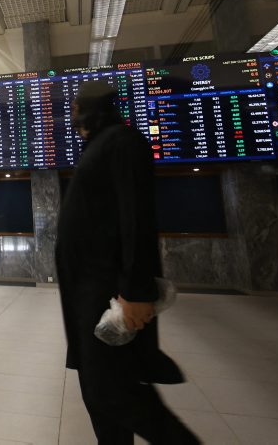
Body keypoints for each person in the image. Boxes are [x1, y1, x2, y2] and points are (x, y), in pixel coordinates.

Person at [56, 81, 199, 444]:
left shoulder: (122, 141)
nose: (72, 112)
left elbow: (136, 217)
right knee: (97, 393)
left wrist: (136, 290)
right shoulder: (97, 147)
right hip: (85, 296)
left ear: (90, 108)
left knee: (113, 392)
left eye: (76, 106)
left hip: (108, 291)